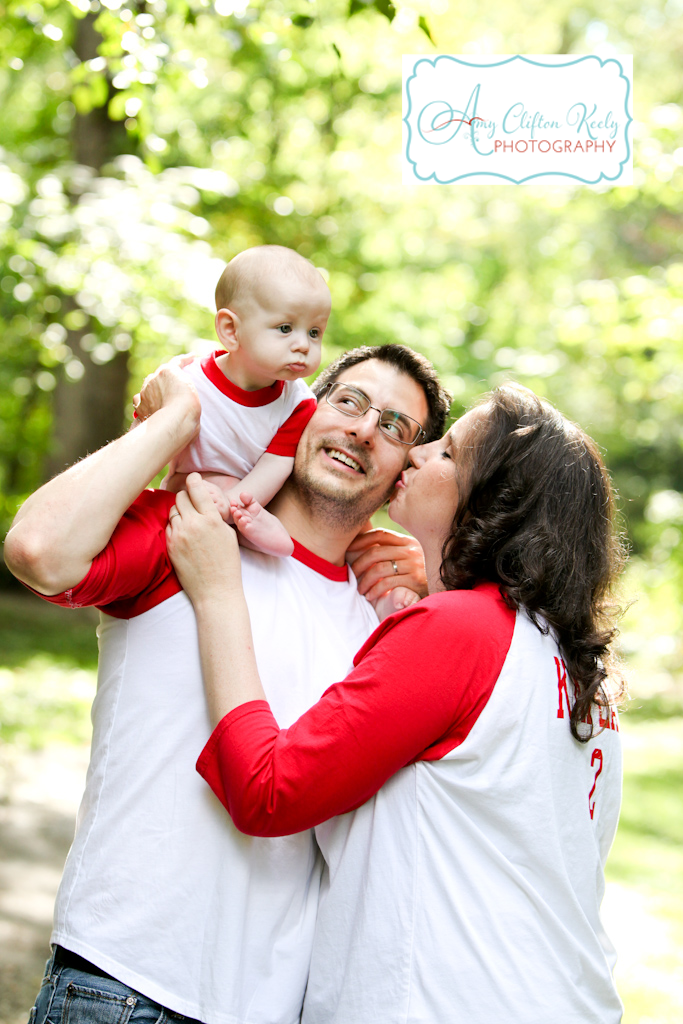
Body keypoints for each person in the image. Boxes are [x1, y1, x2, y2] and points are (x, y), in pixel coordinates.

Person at [4, 343, 451, 1024]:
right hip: (123, 984)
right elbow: (38, 549)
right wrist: (172, 420)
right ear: (301, 414)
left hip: (271, 1008)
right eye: (348, 402)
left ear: (400, 478)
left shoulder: (389, 623)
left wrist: (429, 583)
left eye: (394, 427)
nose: (362, 429)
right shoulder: (192, 527)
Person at [166, 384, 626, 1024]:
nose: (415, 454)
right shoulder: (582, 677)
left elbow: (268, 790)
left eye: (447, 453)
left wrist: (217, 592)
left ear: (493, 501)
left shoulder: (459, 631)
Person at [160, 244, 330, 557]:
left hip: (246, 494)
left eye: (315, 332)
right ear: (231, 330)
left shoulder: (298, 403)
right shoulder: (189, 379)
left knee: (278, 541)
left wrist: (234, 501)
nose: (304, 345)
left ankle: (250, 529)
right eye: (285, 328)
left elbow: (276, 465)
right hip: (185, 483)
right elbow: (154, 438)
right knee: (165, 505)